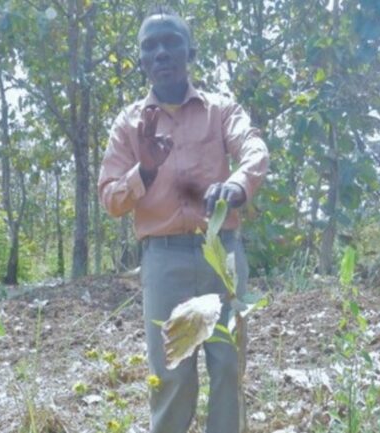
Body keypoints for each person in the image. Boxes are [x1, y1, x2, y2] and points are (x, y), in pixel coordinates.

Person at [98, 6, 269, 433]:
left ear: (190, 51)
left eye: (171, 42)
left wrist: (237, 184)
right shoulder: (129, 125)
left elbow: (253, 148)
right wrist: (144, 171)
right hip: (163, 260)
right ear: (141, 60)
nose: (161, 53)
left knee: (228, 366)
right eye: (150, 46)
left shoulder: (220, 109)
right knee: (172, 374)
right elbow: (110, 199)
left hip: (221, 255)